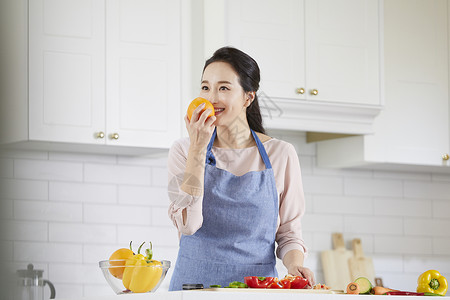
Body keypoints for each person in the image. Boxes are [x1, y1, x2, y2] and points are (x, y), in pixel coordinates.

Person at [167, 46, 314, 291]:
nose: (211, 97)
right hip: (192, 290)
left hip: (257, 292)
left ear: (248, 97)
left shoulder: (281, 154)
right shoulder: (183, 151)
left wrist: (294, 265)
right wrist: (197, 149)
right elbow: (188, 225)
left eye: (223, 87)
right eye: (205, 87)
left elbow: (288, 232)